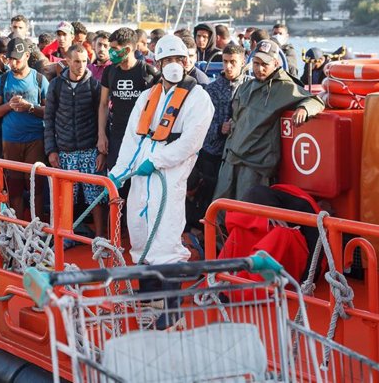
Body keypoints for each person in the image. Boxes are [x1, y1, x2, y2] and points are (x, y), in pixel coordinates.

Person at [107, 34, 213, 323]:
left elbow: (190, 142)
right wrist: (118, 171)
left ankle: (170, 313)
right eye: (167, 61)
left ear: (186, 62)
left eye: (178, 60)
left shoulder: (199, 99)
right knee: (140, 236)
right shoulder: (147, 96)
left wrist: (156, 161)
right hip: (140, 178)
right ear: (158, 64)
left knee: (165, 240)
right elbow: (132, 137)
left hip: (169, 178)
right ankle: (148, 304)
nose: (173, 66)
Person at [213, 40, 324, 202]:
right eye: (256, 63)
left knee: (246, 214)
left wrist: (304, 109)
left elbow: (316, 101)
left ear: (276, 63)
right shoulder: (246, 87)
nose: (259, 68)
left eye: (264, 64)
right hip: (232, 160)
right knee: (220, 210)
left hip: (255, 166)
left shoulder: (285, 88)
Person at [44, 44, 106, 236]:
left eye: (85, 61)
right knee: (65, 198)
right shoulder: (56, 85)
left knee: (95, 197)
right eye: (77, 61)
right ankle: (65, 235)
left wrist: (101, 151)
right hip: (65, 150)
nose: (81, 65)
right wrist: (51, 150)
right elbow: (49, 117)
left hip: (89, 149)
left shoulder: (94, 85)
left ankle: (100, 236)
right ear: (68, 61)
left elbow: (102, 117)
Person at [186, 44, 247, 231]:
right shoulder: (210, 90)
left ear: (242, 62)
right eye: (225, 62)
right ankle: (209, 236)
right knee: (210, 201)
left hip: (240, 155)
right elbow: (200, 124)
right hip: (213, 155)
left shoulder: (250, 88)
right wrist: (220, 129)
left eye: (233, 62)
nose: (228, 66)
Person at [0, 37, 48, 218]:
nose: (13, 63)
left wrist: (29, 107)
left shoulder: (39, 79)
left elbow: (50, 111)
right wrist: (9, 106)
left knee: (35, 186)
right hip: (11, 140)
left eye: (17, 58)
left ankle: (36, 227)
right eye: (10, 59)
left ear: (27, 56)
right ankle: (18, 228)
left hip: (35, 139)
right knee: (14, 187)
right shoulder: (3, 80)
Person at [97, 27, 158, 171]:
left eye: (114, 48)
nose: (110, 52)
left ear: (128, 49)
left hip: (141, 137)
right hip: (117, 135)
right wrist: (101, 134)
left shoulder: (148, 72)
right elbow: (104, 104)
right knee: (117, 181)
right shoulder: (109, 71)